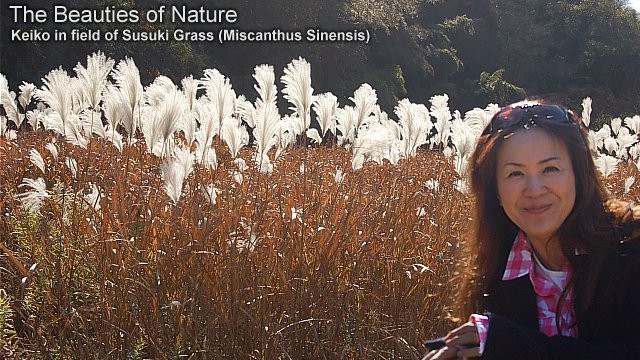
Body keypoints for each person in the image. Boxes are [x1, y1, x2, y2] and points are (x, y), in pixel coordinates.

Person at [423, 100, 640, 359]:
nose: (534, 190)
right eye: (515, 174)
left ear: (578, 176)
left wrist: (508, 344)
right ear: (496, 192)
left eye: (550, 169)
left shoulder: (631, 247)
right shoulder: (494, 271)